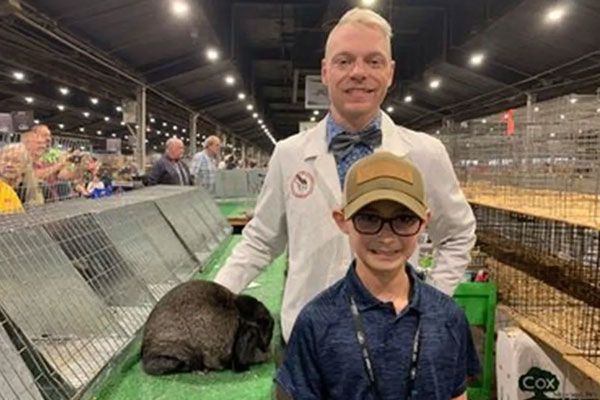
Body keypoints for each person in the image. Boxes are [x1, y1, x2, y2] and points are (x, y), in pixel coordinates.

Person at [214, 7, 476, 342]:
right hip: (307, 339)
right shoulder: (290, 154)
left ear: (391, 72)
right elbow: (262, 239)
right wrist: (214, 296)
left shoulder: (425, 154)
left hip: (392, 338)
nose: (358, 72)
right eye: (344, 60)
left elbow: (457, 234)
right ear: (325, 71)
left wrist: (432, 301)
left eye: (374, 61)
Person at [275, 152, 479, 400]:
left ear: (424, 222)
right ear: (342, 220)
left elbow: (456, 394)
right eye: (369, 218)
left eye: (404, 219)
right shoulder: (316, 322)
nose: (386, 237)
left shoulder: (448, 316)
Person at [0, 143, 43, 212]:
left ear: (25, 166)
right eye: (5, 160)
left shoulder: (31, 186)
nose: (9, 165)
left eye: (16, 161)